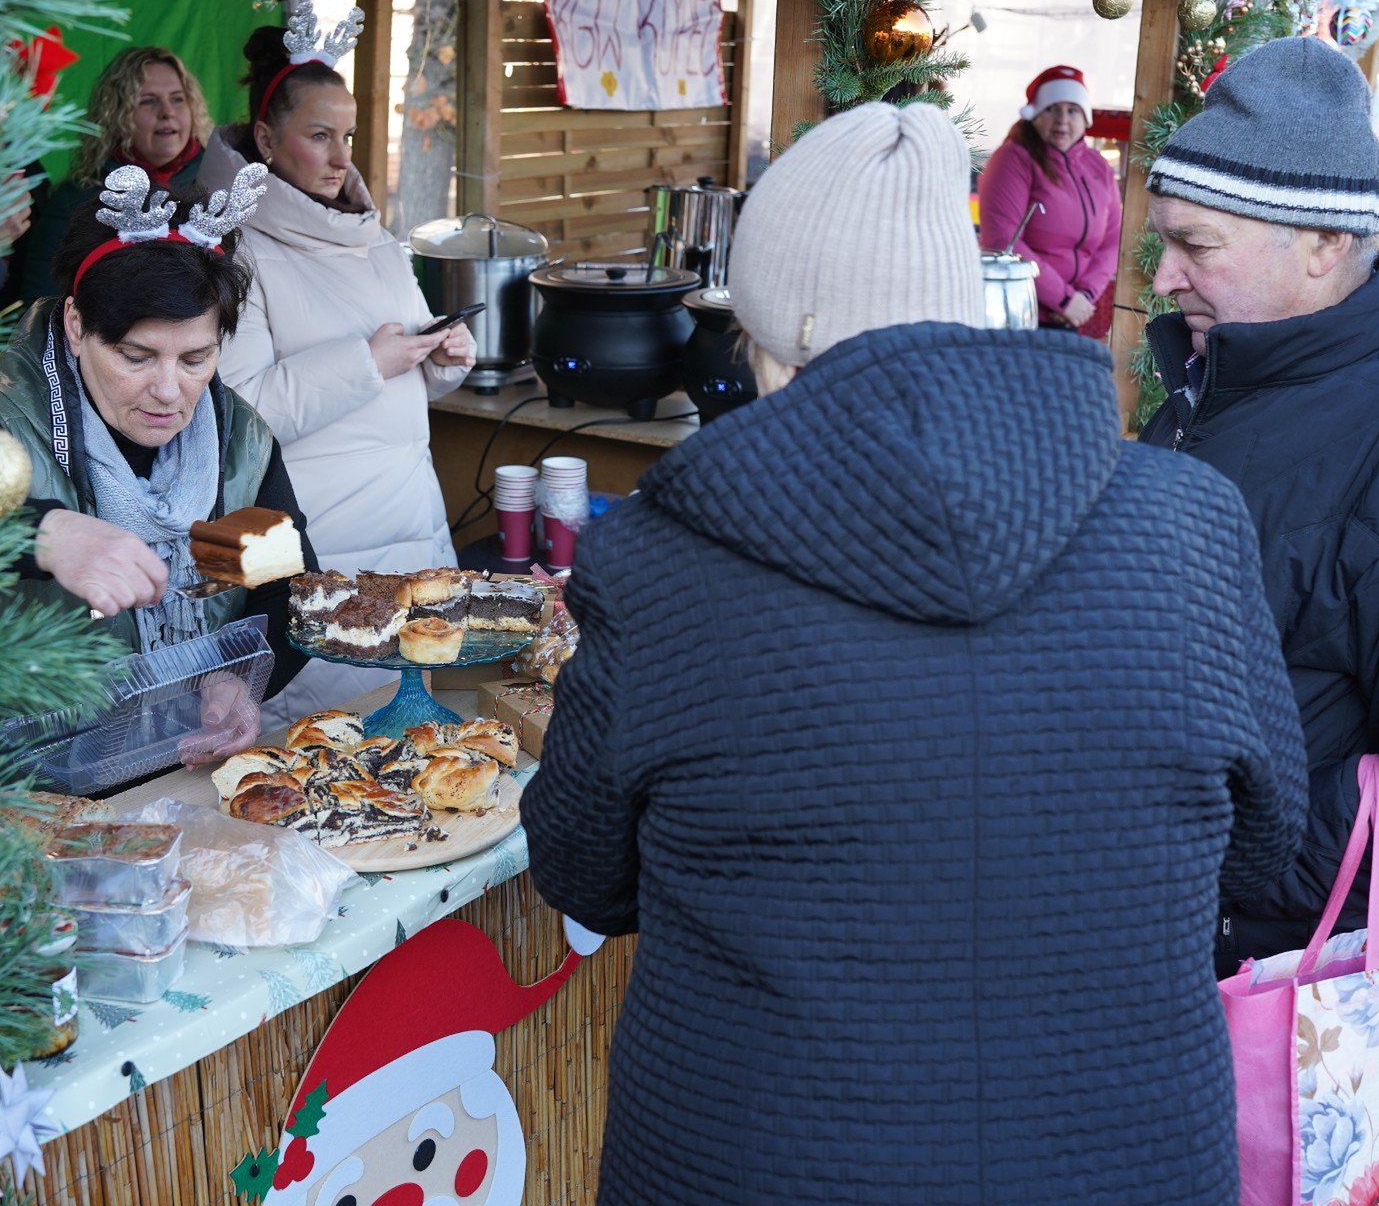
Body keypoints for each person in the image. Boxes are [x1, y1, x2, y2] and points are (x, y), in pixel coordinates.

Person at [521, 102, 1306, 1204]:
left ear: (776, 340)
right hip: (1123, 1154)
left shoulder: (659, 563)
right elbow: (1263, 846)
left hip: (764, 1155)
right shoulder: (1191, 518)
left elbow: (584, 872)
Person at [1139, 36, 1379, 972]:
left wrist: (1231, 882)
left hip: (1268, 978)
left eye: (1195, 245)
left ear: (1327, 243)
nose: (1163, 276)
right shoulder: (1226, 376)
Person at [0, 165, 315, 763]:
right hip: (18, 798)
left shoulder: (238, 447)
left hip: (180, 771)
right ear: (76, 325)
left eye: (196, 358)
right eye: (136, 356)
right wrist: (43, 534)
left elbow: (284, 585)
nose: (170, 391)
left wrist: (240, 679)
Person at [199, 3, 473, 719]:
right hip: (328, 538)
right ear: (265, 138)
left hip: (414, 520)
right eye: (319, 136)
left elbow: (403, 370)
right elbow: (241, 412)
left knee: (417, 729)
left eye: (347, 136)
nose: (342, 158)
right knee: (330, 742)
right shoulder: (243, 252)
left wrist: (443, 357)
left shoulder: (373, 235)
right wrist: (368, 362)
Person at [20, 47, 213, 301]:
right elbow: (41, 309)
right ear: (117, 114)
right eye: (148, 101)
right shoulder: (74, 202)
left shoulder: (216, 185)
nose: (167, 111)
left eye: (178, 98)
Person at [977, 66, 1123, 340]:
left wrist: (1085, 295)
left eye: (1072, 110)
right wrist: (1063, 300)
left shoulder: (1098, 168)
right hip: (1023, 314)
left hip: (1078, 314)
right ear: (1035, 114)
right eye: (1053, 109)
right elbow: (1002, 240)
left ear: (1085, 117)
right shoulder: (1012, 160)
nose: (1063, 121)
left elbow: (1113, 239)